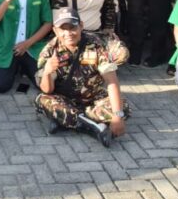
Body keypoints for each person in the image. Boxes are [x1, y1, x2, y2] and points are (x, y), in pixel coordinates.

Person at [34, 8, 129, 147]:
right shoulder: (50, 50)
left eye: (72, 27)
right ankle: (95, 128)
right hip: (64, 99)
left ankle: (67, 119)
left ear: (81, 26)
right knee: (43, 100)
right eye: (63, 29)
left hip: (92, 98)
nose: (68, 33)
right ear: (55, 30)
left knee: (122, 107)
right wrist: (48, 71)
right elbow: (47, 90)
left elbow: (112, 82)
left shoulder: (96, 45)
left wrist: (117, 115)